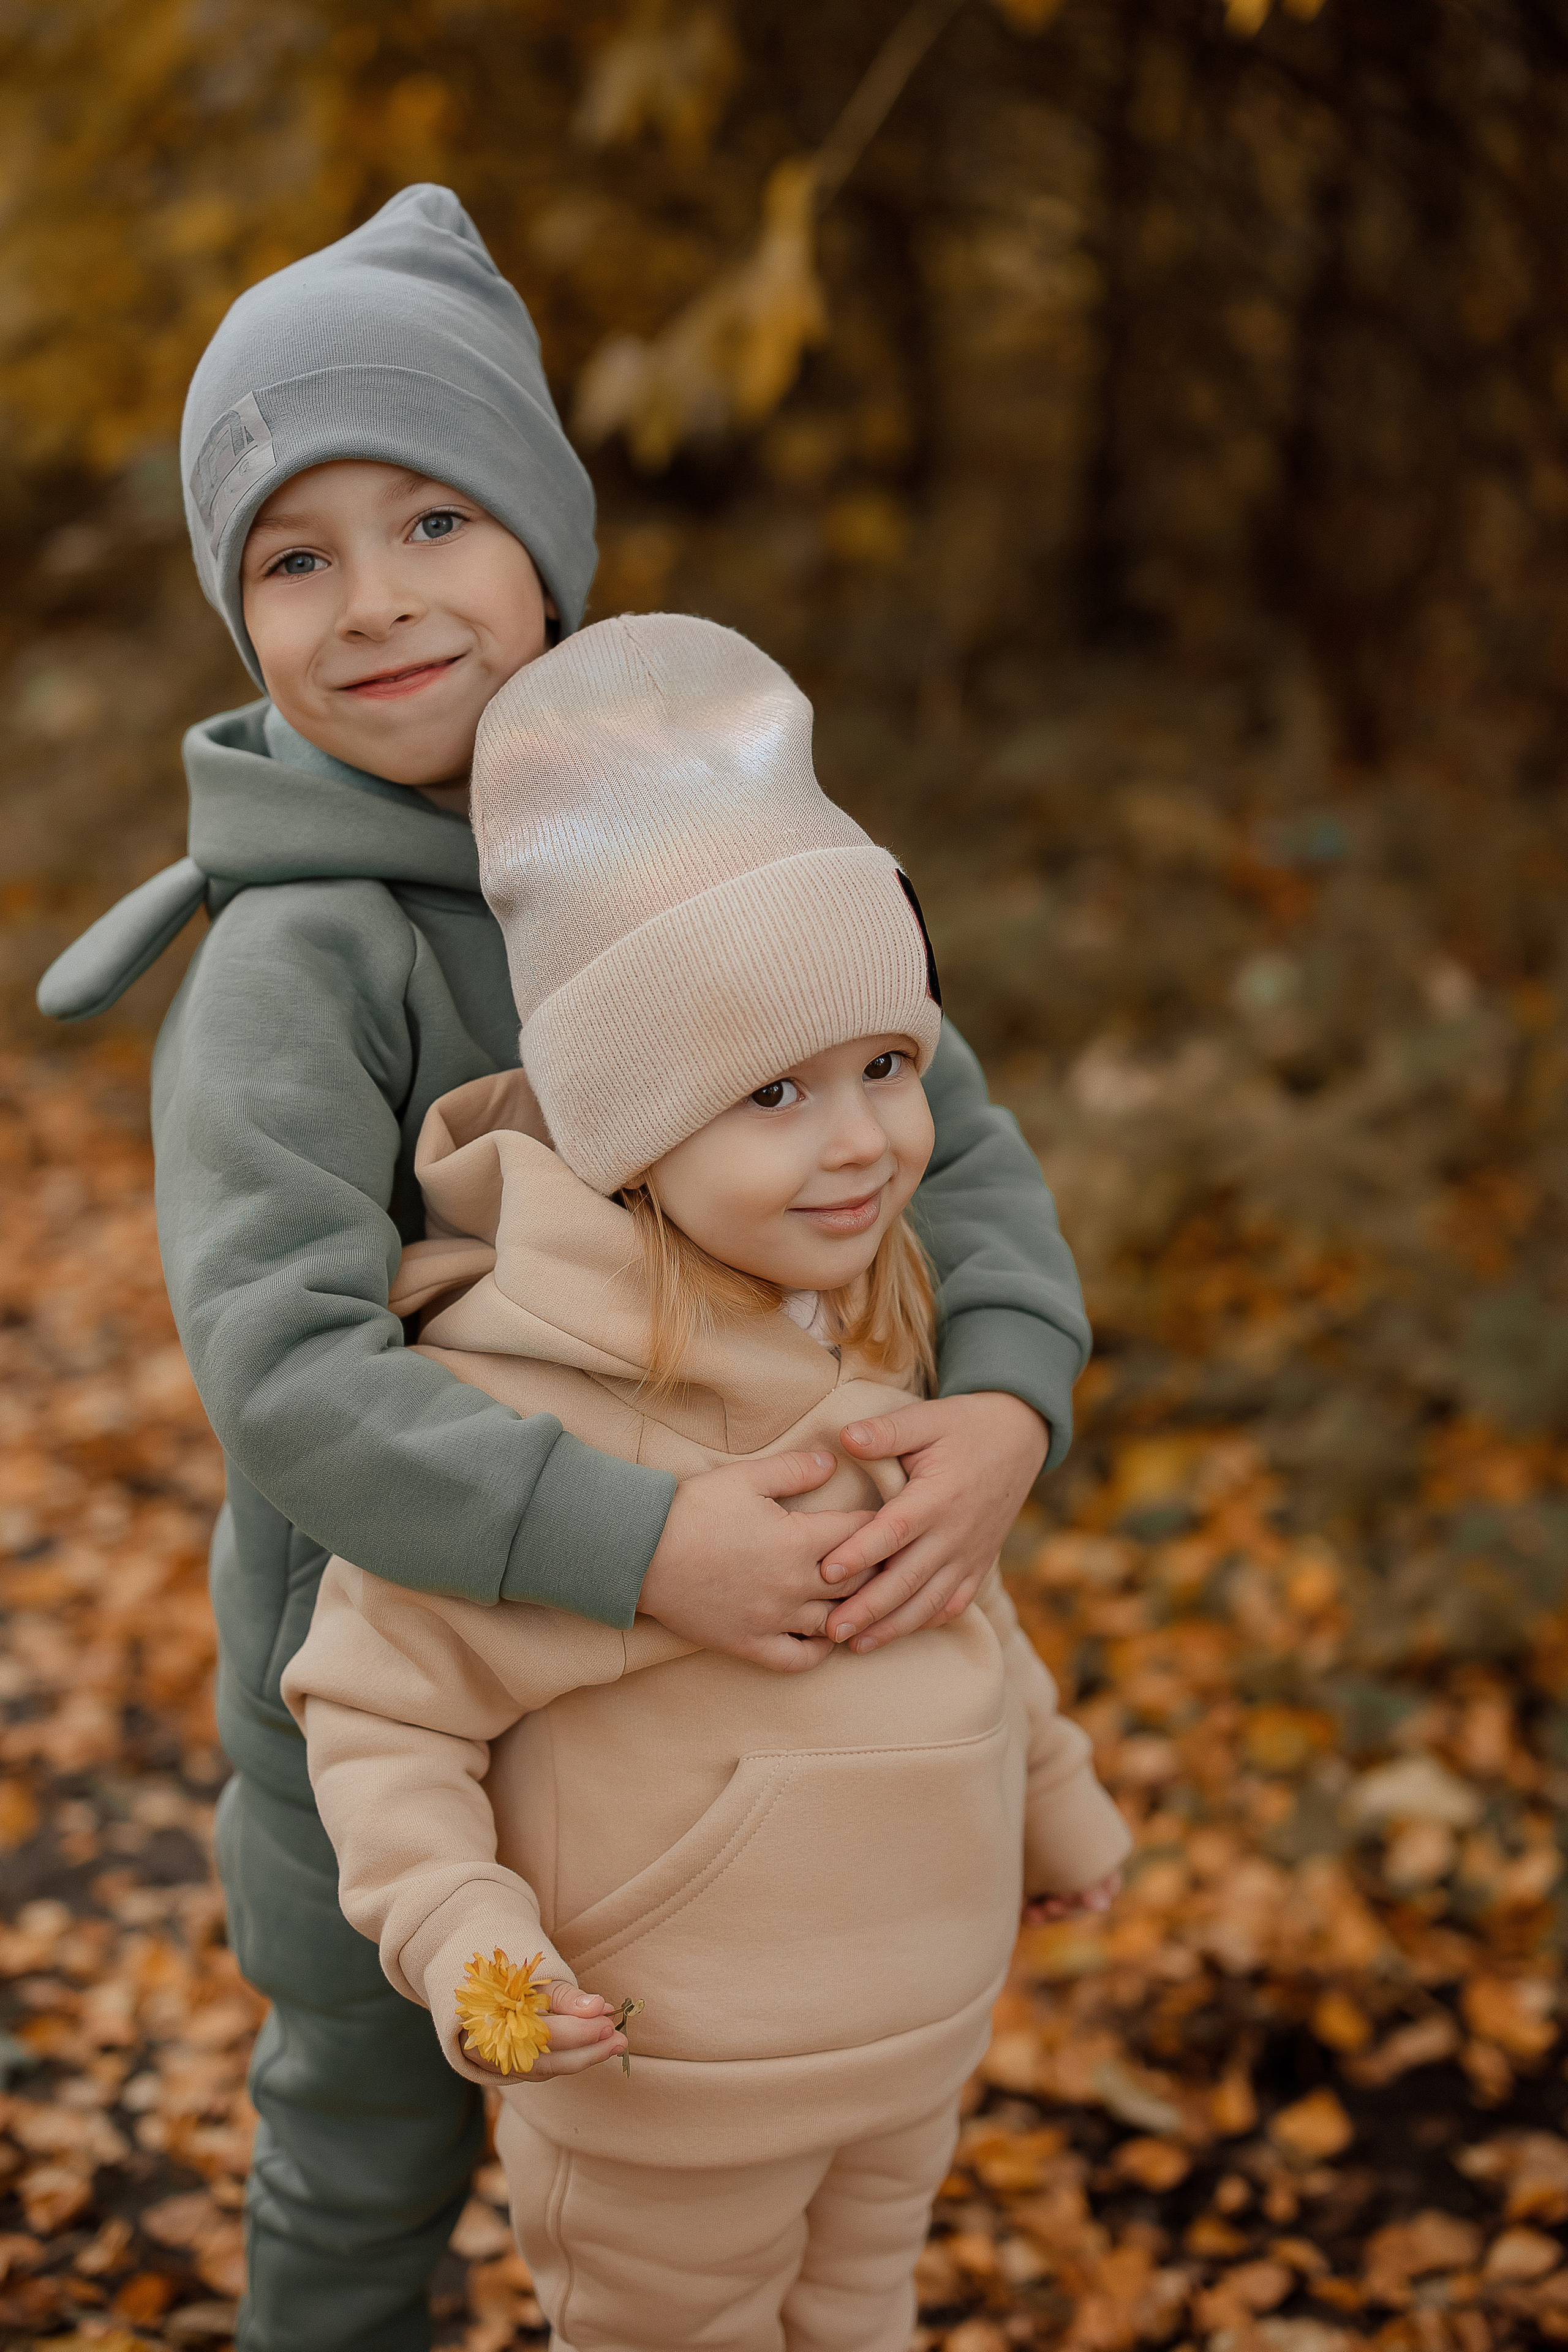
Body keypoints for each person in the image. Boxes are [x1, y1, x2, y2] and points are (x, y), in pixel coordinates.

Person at [36, 188, 1091, 2352]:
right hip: (411, 1699)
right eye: (295, 556)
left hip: (721, 1726)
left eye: (435, 517)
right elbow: (290, 1372)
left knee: (693, 2147)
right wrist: (638, 1545)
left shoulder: (691, 825)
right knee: (372, 2132)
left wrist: (1003, 1400)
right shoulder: (297, 965)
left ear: (547, 540)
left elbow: (946, 1129)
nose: (379, 601)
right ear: (241, 621)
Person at [284, 611, 1129, 2352]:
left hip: (909, 2034)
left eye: (888, 1069)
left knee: (862, 2317)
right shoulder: (516, 1406)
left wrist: (1049, 1790)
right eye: (775, 1092)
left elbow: (949, 1591)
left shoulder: (872, 1319)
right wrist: (467, 1945)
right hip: (675, 2073)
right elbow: (384, 1717)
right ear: (639, 1126)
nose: (862, 1138)